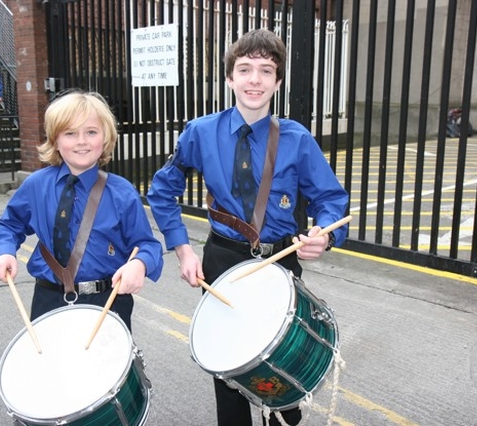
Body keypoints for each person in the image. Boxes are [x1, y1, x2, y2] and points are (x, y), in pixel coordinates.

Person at [147, 29, 349, 426]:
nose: (254, 79)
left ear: (277, 81)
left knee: (283, 359)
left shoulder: (296, 138)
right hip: (223, 260)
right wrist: (183, 249)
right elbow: (161, 189)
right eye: (244, 69)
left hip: (280, 261)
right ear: (229, 78)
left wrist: (324, 234)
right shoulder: (201, 131)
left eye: (265, 70)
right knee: (230, 364)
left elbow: (331, 200)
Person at [0, 91, 164, 328]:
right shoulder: (36, 185)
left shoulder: (122, 192)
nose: (81, 141)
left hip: (107, 302)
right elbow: (9, 225)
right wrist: (4, 251)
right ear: (55, 140)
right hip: (48, 299)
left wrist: (139, 264)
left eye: (91, 132)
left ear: (105, 137)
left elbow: (147, 244)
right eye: (70, 133)